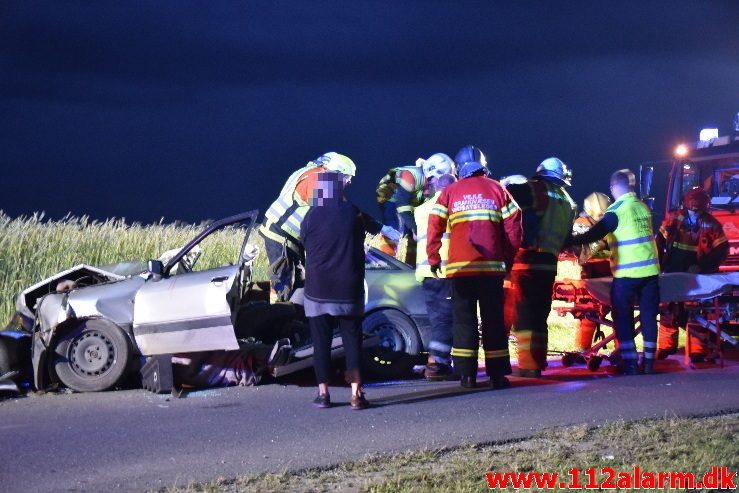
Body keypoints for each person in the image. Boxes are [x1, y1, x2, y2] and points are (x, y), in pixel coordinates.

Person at [427, 145, 522, 389]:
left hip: (460, 270)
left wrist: (434, 257)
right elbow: (514, 226)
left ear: (459, 168)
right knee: (493, 321)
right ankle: (497, 375)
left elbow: (434, 223)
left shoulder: (450, 191)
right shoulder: (498, 189)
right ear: (483, 164)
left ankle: (466, 375)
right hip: (491, 270)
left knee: (463, 322)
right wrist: (508, 257)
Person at [261, 152, 399, 303]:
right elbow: (336, 216)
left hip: (290, 238)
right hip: (280, 235)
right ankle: (276, 316)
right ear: (337, 173)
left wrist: (379, 228)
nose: (349, 182)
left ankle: (293, 317)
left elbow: (347, 211)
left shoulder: (316, 175)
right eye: (348, 177)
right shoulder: (318, 182)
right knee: (283, 281)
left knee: (299, 280)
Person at [568, 169, 660, 375]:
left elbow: (594, 234)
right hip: (651, 273)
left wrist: (569, 240)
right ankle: (649, 364)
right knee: (648, 317)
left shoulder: (617, 211)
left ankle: (630, 364)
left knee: (623, 317)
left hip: (627, 274)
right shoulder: (643, 208)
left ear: (613, 188)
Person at [300, 171, 371, 410]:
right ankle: (356, 394)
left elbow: (303, 242)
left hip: (317, 289)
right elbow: (365, 233)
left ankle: (324, 394)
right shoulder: (352, 213)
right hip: (348, 289)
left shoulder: (311, 215)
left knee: (321, 343)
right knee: (352, 341)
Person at [505, 157, 577, 377]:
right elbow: (566, 237)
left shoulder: (535, 188)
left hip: (527, 261)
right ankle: (538, 362)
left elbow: (511, 198)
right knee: (539, 315)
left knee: (525, 315)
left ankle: (528, 366)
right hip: (549, 262)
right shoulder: (567, 200)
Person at [656, 187, 728, 362]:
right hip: (673, 270)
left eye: (698, 211)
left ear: (705, 208)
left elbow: (721, 250)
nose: (694, 214)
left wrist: (701, 266)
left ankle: (697, 350)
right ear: (685, 205)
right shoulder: (674, 219)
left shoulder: (712, 224)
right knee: (667, 308)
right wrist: (658, 264)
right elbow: (659, 240)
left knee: (696, 311)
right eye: (691, 210)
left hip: (696, 275)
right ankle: (665, 347)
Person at [414, 173, 457, 380]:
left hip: (425, 272)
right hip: (444, 271)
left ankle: (437, 360)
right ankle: (437, 364)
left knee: (436, 320)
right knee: (445, 321)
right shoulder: (450, 207)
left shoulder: (421, 209)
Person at [376, 153, 455, 262]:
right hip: (391, 197)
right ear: (431, 173)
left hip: (412, 199)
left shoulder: (428, 184)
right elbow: (402, 205)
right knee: (395, 226)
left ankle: (410, 261)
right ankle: (385, 260)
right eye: (440, 179)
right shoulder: (410, 176)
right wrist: (415, 228)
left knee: (416, 230)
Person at [571, 192, 612, 351]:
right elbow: (582, 253)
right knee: (588, 314)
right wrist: (601, 241)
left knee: (621, 314)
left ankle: (622, 350)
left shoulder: (608, 221)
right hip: (590, 274)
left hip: (610, 273)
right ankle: (582, 350)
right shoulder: (581, 224)